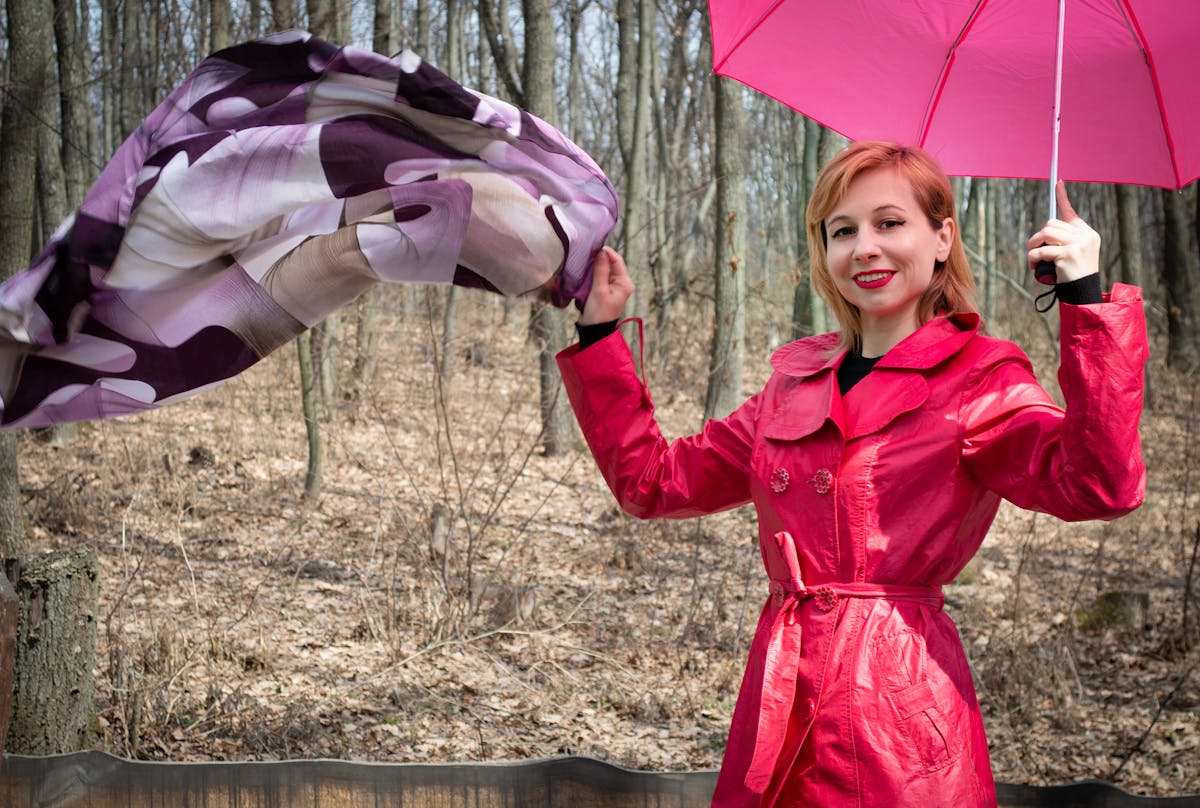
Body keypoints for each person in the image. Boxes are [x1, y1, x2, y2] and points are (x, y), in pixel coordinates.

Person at [555, 142, 1147, 807]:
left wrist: (1085, 297)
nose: (864, 247)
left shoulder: (978, 379)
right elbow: (653, 482)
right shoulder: (793, 383)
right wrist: (601, 333)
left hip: (897, 714)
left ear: (943, 236)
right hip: (782, 702)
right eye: (843, 230)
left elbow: (1099, 484)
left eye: (889, 223)